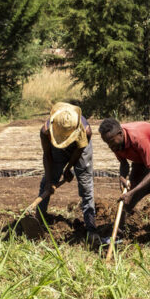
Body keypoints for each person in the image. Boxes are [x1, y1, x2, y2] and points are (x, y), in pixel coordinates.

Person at [37, 102, 98, 242]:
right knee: (47, 181)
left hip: (80, 149)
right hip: (56, 150)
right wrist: (49, 182)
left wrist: (69, 168)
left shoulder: (85, 131)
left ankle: (90, 226)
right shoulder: (46, 131)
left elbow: (79, 150)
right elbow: (47, 155)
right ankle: (38, 219)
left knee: (85, 186)